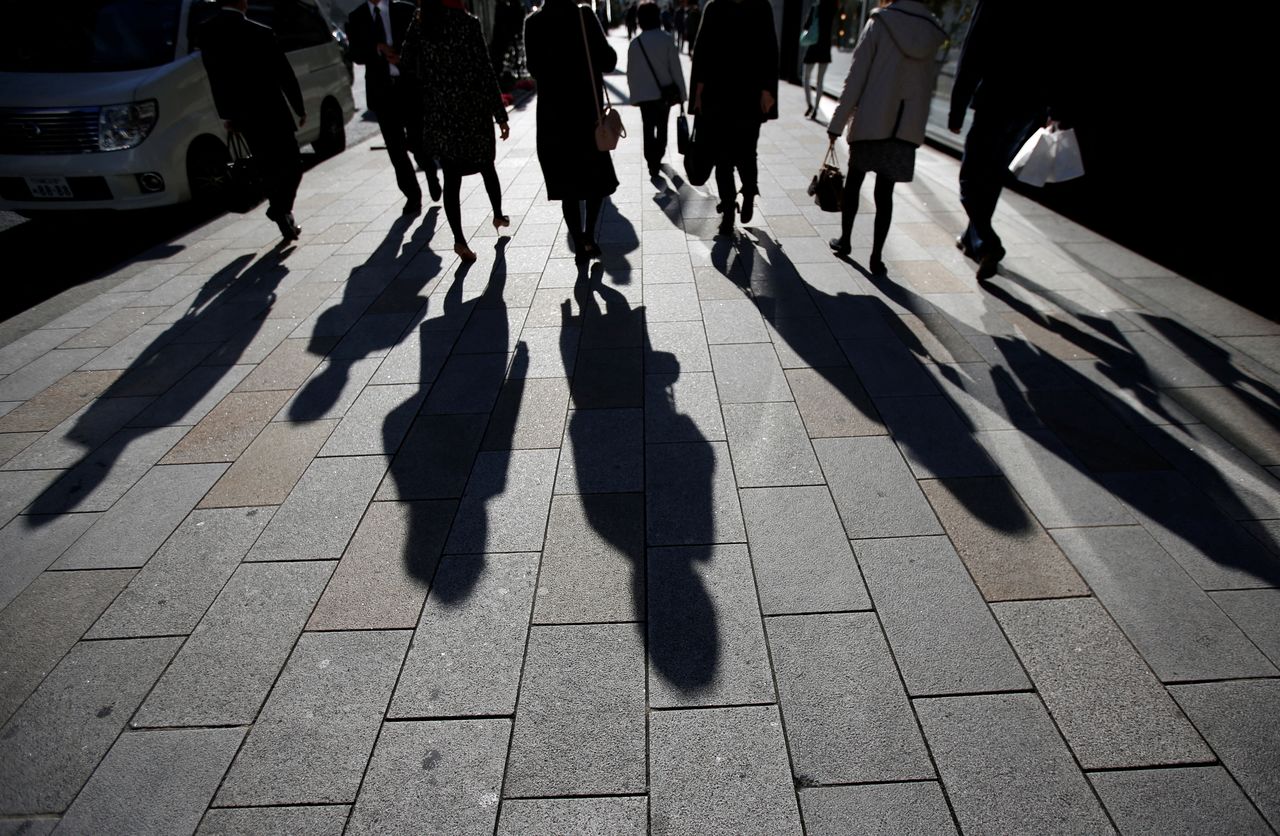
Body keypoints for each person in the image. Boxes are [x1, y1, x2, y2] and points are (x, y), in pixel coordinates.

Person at [948, 0, 1064, 280]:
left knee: (969, 177)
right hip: (1028, 106)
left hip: (995, 100)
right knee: (992, 175)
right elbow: (1057, 53)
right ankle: (971, 238)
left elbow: (973, 51)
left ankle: (988, 243)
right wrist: (1053, 109)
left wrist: (958, 105)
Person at [826, 0, 944, 273]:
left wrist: (837, 123)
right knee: (885, 193)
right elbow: (928, 86)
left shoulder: (880, 23)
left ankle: (845, 241)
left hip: (872, 119)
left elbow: (855, 78)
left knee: (854, 182)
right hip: (904, 126)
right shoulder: (930, 31)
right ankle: (877, 256)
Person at [403, 0, 510, 261]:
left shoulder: (421, 22)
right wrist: (500, 114)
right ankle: (497, 214)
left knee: (452, 178)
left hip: (442, 113)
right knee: (486, 164)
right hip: (472, 110)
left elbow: (406, 62)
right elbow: (485, 70)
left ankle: (460, 241)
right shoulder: (468, 23)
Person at [199, 0, 306, 241]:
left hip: (242, 116)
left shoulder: (208, 32)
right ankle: (281, 209)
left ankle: (281, 214)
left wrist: (227, 114)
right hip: (273, 110)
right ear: (243, 3)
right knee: (292, 164)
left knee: (266, 165)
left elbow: (215, 79)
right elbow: (284, 73)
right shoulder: (261, 32)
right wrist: (298, 107)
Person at [525, 0, 619, 265]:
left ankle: (578, 240)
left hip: (553, 119)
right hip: (587, 114)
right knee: (595, 180)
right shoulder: (583, 15)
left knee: (568, 185)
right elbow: (608, 60)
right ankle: (589, 234)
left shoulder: (533, 24)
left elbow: (534, 70)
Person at [689, 0, 778, 236]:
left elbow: (702, 53)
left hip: (723, 95)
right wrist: (767, 90)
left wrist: (697, 93)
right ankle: (741, 198)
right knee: (743, 153)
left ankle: (734, 205)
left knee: (725, 158)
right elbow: (770, 50)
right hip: (744, 95)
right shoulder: (759, 7)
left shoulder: (717, 7)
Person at [347, 0, 437, 213]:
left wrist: (402, 58)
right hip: (382, 93)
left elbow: (423, 43)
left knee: (417, 141)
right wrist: (376, 48)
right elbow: (356, 55)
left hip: (408, 88)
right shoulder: (357, 17)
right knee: (396, 149)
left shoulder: (405, 10)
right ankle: (412, 196)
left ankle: (430, 170)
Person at [627, 2, 687, 178]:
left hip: (645, 95)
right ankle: (658, 155)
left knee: (647, 126)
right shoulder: (667, 39)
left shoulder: (635, 43)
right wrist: (682, 94)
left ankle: (650, 160)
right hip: (664, 94)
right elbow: (675, 69)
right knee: (662, 126)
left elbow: (632, 72)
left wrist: (634, 95)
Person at [800, 0, 835, 121]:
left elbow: (806, 26)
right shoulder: (831, 7)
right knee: (820, 81)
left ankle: (810, 104)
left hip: (813, 46)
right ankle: (815, 109)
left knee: (806, 77)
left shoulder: (815, 7)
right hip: (825, 47)